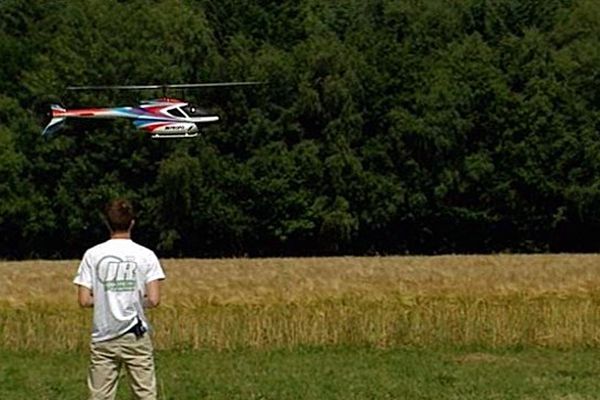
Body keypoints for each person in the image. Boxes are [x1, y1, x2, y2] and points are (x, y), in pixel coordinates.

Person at [74, 198, 165, 400]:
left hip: (104, 334)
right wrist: (132, 298)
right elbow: (155, 299)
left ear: (107, 223)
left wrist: (107, 297)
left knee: (100, 395)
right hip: (135, 334)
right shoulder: (146, 255)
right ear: (132, 223)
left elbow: (83, 300)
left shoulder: (92, 254)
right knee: (144, 393)